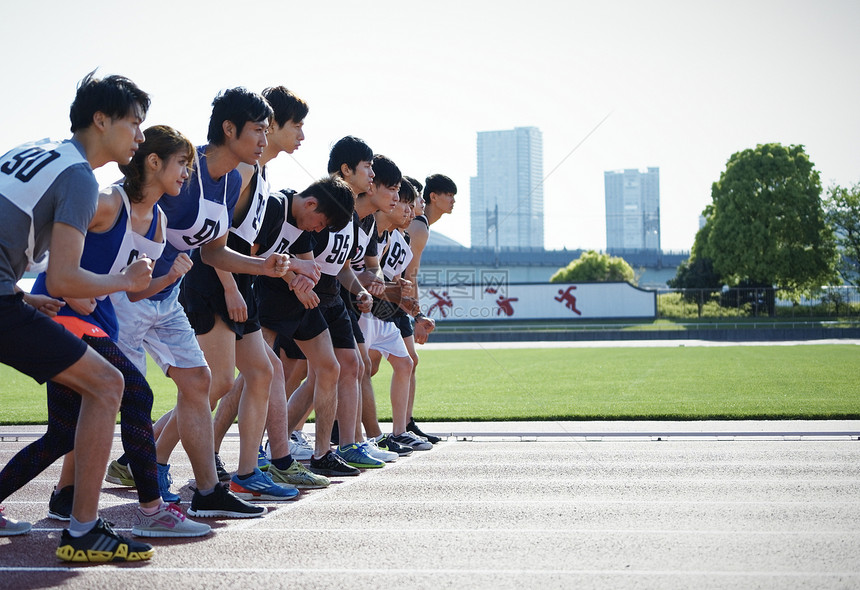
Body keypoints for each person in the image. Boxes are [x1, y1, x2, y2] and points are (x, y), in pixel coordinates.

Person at [107, 88, 289, 518]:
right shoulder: (184, 169)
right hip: (125, 297)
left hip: (167, 296)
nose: (265, 139)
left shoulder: (232, 180)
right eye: (258, 130)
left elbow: (212, 251)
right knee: (106, 397)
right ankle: (75, 498)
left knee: (201, 382)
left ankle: (206, 491)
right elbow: (121, 197)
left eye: (268, 130)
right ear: (229, 129)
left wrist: (262, 266)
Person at [0, 72, 156, 562]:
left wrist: (21, 297)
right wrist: (126, 282)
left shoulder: (38, 151)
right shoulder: (79, 177)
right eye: (134, 123)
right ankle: (84, 530)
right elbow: (66, 280)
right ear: (100, 119)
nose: (140, 135)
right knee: (109, 384)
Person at [30, 125, 210, 538]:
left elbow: (133, 291)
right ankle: (151, 509)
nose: (187, 174)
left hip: (102, 321)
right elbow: (55, 232)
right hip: (61, 311)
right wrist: (65, 283)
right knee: (136, 394)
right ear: (153, 162)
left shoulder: (159, 222)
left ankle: (67, 502)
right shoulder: (110, 201)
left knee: (62, 431)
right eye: (182, 163)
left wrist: (167, 279)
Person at [179, 86, 312, 502]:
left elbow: (228, 243)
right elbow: (211, 248)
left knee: (261, 371)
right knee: (215, 382)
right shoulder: (229, 172)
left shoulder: (254, 173)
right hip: (213, 284)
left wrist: (267, 268)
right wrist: (232, 287)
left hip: (238, 281)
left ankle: (247, 471)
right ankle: (149, 458)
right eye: (266, 127)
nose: (301, 136)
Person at [284, 136, 383, 472]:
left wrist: (358, 290)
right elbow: (299, 253)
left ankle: (346, 446)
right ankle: (277, 444)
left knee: (353, 366)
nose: (372, 174)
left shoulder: (350, 215)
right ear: (346, 169)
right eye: (367, 167)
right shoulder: (322, 206)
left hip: (333, 296)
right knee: (303, 374)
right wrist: (298, 286)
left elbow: (341, 266)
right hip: (305, 297)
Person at [360, 179, 431, 452]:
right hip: (362, 310)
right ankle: (359, 437)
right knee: (353, 370)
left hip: (383, 312)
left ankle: (399, 431)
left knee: (405, 363)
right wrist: (392, 292)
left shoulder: (393, 237)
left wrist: (411, 307)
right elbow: (366, 275)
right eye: (408, 206)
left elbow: (393, 281)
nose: (411, 214)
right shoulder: (370, 230)